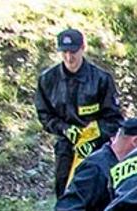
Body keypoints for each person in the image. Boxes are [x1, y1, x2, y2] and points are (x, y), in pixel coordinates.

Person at [35, 28, 123, 197]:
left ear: (83, 48)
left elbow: (114, 119)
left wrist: (95, 135)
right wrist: (65, 129)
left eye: (73, 52)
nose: (69, 57)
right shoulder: (47, 80)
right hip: (66, 146)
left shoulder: (101, 79)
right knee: (65, 192)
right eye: (65, 52)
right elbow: (45, 115)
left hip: (97, 147)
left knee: (98, 194)